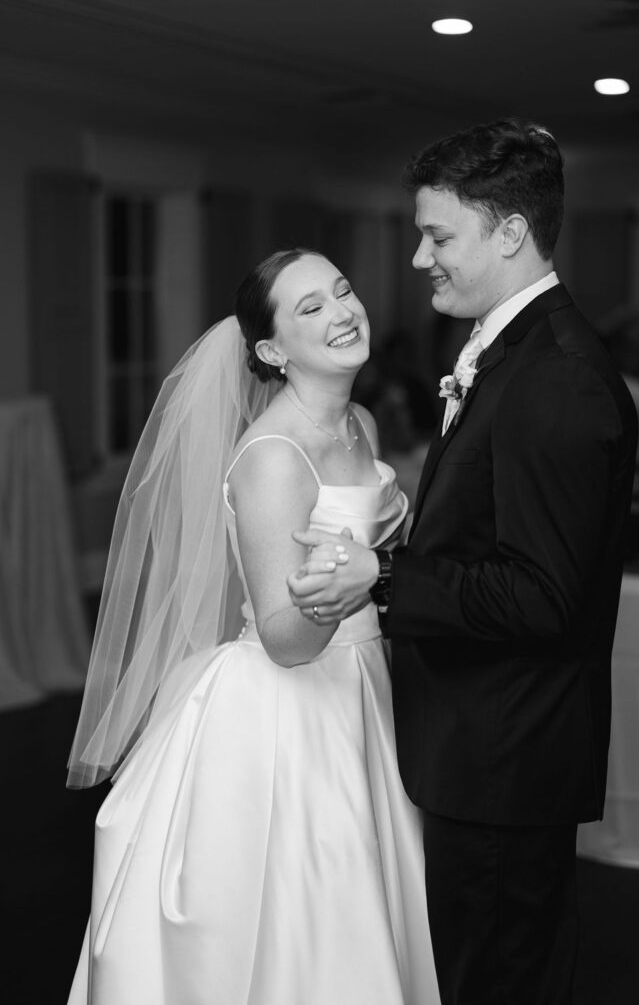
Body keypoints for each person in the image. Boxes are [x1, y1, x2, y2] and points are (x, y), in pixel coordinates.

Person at [288, 119, 639, 1005]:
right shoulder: (510, 352)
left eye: (438, 234)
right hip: (482, 749)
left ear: (509, 232)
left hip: (503, 761)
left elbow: (539, 595)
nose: (417, 257)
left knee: (493, 980)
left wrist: (387, 575)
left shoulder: (554, 375)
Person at [66, 249, 440, 1004]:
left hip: (363, 687)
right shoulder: (272, 456)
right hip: (289, 708)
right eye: (309, 308)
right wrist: (350, 585)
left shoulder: (360, 423)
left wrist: (382, 567)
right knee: (307, 916)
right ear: (271, 350)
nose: (342, 312)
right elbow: (282, 636)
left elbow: (378, 560)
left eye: (341, 291)